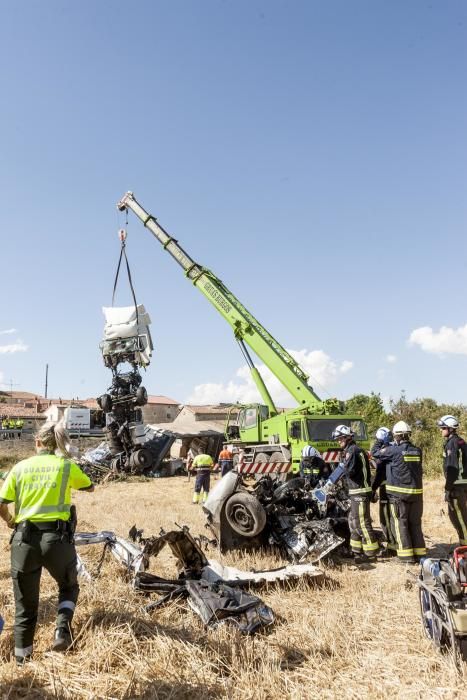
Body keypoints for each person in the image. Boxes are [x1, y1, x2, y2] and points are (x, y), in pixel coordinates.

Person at [0, 420, 94, 664]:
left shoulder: (20, 467)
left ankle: (22, 663)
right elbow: (90, 486)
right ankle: (62, 630)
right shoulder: (65, 466)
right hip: (57, 540)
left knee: (25, 608)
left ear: (38, 442)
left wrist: (10, 520)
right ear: (55, 443)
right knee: (69, 586)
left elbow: (1, 502)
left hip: (23, 541)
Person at [372, 421, 425, 564]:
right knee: (415, 524)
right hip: (416, 495)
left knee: (400, 524)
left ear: (397, 436)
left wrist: (379, 440)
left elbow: (375, 453)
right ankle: (420, 554)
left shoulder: (393, 451)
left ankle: (406, 557)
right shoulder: (417, 450)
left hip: (398, 496)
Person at [331, 425, 380, 561]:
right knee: (353, 521)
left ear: (347, 438)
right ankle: (356, 551)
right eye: (338, 439)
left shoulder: (352, 451)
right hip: (356, 491)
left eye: (340, 439)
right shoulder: (354, 450)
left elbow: (349, 471)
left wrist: (338, 472)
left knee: (362, 523)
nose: (338, 441)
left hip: (359, 492)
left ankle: (371, 553)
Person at [437, 415, 467, 546]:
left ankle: (465, 545)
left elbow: (453, 468)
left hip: (456, 487)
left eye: (443, 427)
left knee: (458, 517)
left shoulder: (452, 443)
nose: (441, 430)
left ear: (450, 428)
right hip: (463, 484)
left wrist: (447, 488)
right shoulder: (461, 441)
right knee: (461, 515)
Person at [370, 427, 397, 557]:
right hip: (398, 490)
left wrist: (372, 489)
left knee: (386, 518)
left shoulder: (384, 453)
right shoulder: (395, 449)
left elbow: (380, 473)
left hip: (386, 490)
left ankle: (392, 547)